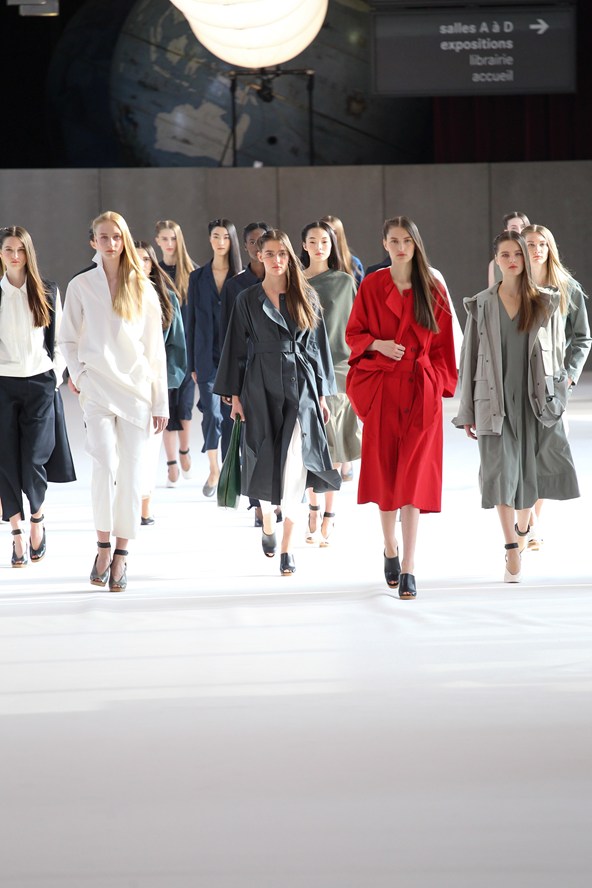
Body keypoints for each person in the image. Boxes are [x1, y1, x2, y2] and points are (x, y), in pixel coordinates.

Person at [453, 230, 579, 583]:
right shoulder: (482, 304)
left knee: (530, 474)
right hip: (494, 401)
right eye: (505, 254)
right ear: (496, 260)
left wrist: (562, 390)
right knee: (499, 473)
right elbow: (469, 358)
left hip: (536, 401)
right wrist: (467, 411)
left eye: (517, 254)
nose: (512, 260)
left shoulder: (545, 300)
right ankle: (511, 547)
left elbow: (557, 353)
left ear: (525, 258)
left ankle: (524, 529)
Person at [214, 228, 340, 576]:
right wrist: (235, 397)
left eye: (281, 253)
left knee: (296, 464)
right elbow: (235, 349)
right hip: (259, 387)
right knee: (263, 459)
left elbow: (317, 347)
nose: (276, 259)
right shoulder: (247, 299)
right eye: (269, 253)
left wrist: (322, 395)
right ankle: (268, 520)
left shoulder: (306, 295)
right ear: (259, 256)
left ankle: (287, 548)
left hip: (301, 387)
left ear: (289, 257)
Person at [345, 217, 457, 599]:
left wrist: (436, 384)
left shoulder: (432, 287)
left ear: (416, 243)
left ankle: (409, 565)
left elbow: (445, 347)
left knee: (412, 480)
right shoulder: (371, 285)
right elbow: (353, 333)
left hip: (421, 392)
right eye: (394, 241)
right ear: (384, 244)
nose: (401, 247)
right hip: (384, 389)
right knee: (386, 476)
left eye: (407, 240)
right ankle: (389, 546)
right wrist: (377, 344)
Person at [60, 211, 169, 591]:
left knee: (133, 473)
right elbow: (67, 338)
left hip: (137, 392)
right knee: (104, 465)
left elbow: (155, 350)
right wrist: (79, 376)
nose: (110, 243)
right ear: (93, 242)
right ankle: (103, 547)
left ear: (124, 240)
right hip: (97, 389)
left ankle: (122, 553)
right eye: (103, 237)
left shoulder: (142, 287)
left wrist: (160, 402)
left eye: (116, 236)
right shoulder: (81, 285)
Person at [0, 225, 74, 567]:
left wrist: (54, 377)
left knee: (33, 459)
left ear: (29, 253)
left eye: (21, 249)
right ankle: (16, 533)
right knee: (5, 461)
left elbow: (60, 341)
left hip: (40, 383)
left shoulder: (47, 290)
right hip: (3, 384)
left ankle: (37, 519)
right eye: (9, 249)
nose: (15, 256)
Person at [521, 223, 591, 547]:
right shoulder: (513, 286)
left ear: (550, 248)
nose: (536, 250)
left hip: (552, 384)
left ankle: (531, 524)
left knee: (546, 454)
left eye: (542, 244)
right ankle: (528, 525)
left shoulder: (567, 287)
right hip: (517, 380)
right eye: (530, 244)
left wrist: (571, 375)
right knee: (520, 453)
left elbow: (582, 337)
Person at [300, 220, 360, 544]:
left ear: (332, 245)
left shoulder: (345, 282)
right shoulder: (295, 282)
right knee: (310, 440)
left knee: (334, 440)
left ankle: (330, 511)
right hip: (304, 369)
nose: (319, 246)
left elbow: (355, 326)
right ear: (304, 246)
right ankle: (312, 505)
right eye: (313, 241)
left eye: (324, 241)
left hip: (338, 368)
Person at [186, 218, 242, 497]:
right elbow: (191, 321)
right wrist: (192, 363)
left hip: (234, 358)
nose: (220, 242)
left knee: (231, 417)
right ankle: (213, 469)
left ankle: (231, 470)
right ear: (209, 239)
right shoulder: (197, 278)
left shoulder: (240, 278)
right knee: (211, 413)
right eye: (216, 236)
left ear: (232, 241)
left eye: (225, 237)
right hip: (206, 358)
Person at [135, 241, 187, 525]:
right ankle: (126, 501)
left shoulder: (166, 298)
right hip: (120, 383)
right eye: (135, 258)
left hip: (154, 384)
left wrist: (167, 382)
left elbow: (177, 346)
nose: (140, 264)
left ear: (152, 264)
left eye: (146, 259)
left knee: (149, 447)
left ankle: (145, 504)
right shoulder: (112, 295)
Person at [154, 219, 197, 487]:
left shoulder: (192, 273)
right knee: (165, 405)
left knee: (185, 405)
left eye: (173, 238)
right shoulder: (153, 272)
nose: (169, 243)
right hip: (162, 349)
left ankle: (184, 450)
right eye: (165, 238)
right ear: (157, 241)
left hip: (188, 349)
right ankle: (171, 462)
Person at [320, 215, 364, 288]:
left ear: (340, 235)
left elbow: (360, 292)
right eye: (326, 232)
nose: (329, 236)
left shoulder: (353, 263)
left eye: (334, 232)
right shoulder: (307, 262)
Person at [487, 211, 530, 286]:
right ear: (506, 231)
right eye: (514, 228)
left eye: (523, 227)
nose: (519, 231)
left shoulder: (537, 258)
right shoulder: (495, 264)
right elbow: (491, 291)